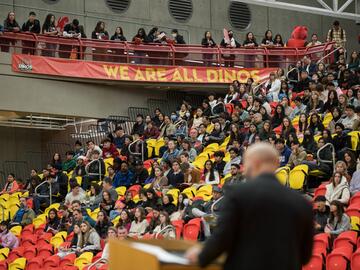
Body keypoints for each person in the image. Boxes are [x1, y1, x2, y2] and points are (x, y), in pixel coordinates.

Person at [186, 143, 313, 269]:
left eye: (245, 164)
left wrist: (201, 256)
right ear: (276, 164)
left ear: (254, 163)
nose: (244, 169)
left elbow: (223, 237)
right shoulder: (301, 202)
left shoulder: (238, 194)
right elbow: (305, 256)